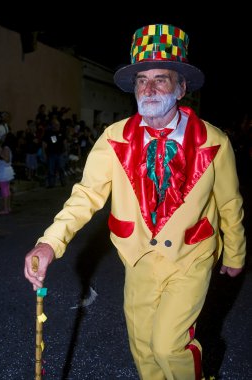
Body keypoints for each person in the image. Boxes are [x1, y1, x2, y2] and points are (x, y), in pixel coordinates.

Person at [24, 24, 246, 380]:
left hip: (191, 256)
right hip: (138, 256)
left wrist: (234, 253)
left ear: (181, 87)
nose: (150, 88)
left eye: (161, 78)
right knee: (142, 344)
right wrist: (50, 242)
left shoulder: (214, 142)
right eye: (142, 79)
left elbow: (230, 204)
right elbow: (86, 195)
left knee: (168, 345)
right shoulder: (113, 138)